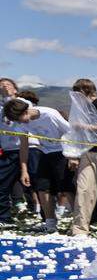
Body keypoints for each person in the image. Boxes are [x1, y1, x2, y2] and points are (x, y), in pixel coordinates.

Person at [5, 95, 72, 232]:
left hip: (63, 152)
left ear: (24, 111)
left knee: (67, 188)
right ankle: (50, 223)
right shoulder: (22, 123)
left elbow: (71, 133)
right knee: (43, 187)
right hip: (45, 153)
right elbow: (23, 146)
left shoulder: (50, 114)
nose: (20, 122)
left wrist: (73, 156)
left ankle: (79, 222)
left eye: (19, 119)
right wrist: (24, 170)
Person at [0, 79, 23, 225]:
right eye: (1, 86)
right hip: (8, 150)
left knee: (37, 183)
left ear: (15, 89)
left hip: (26, 148)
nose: (4, 87)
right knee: (2, 183)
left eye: (7, 85)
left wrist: (8, 96)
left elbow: (14, 111)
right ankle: (4, 217)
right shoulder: (1, 107)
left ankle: (48, 218)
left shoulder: (22, 102)